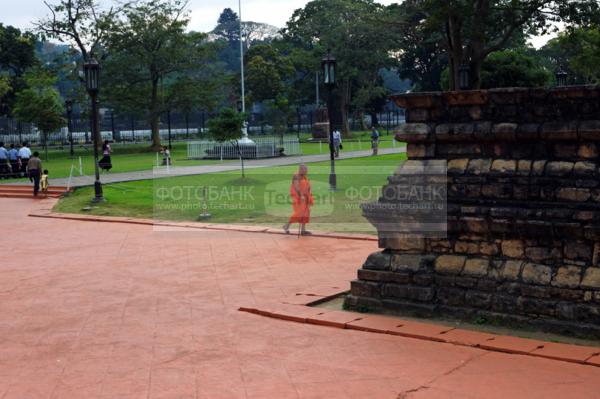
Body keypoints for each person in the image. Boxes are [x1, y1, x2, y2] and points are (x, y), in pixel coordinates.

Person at [283, 164, 314, 236]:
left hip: (305, 197)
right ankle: (286, 226)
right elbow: (296, 187)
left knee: (306, 212)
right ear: (301, 169)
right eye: (305, 170)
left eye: (307, 170)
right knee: (299, 213)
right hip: (298, 198)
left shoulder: (304, 177)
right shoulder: (296, 176)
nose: (307, 172)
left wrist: (310, 189)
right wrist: (301, 196)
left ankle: (303, 230)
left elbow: (308, 187)